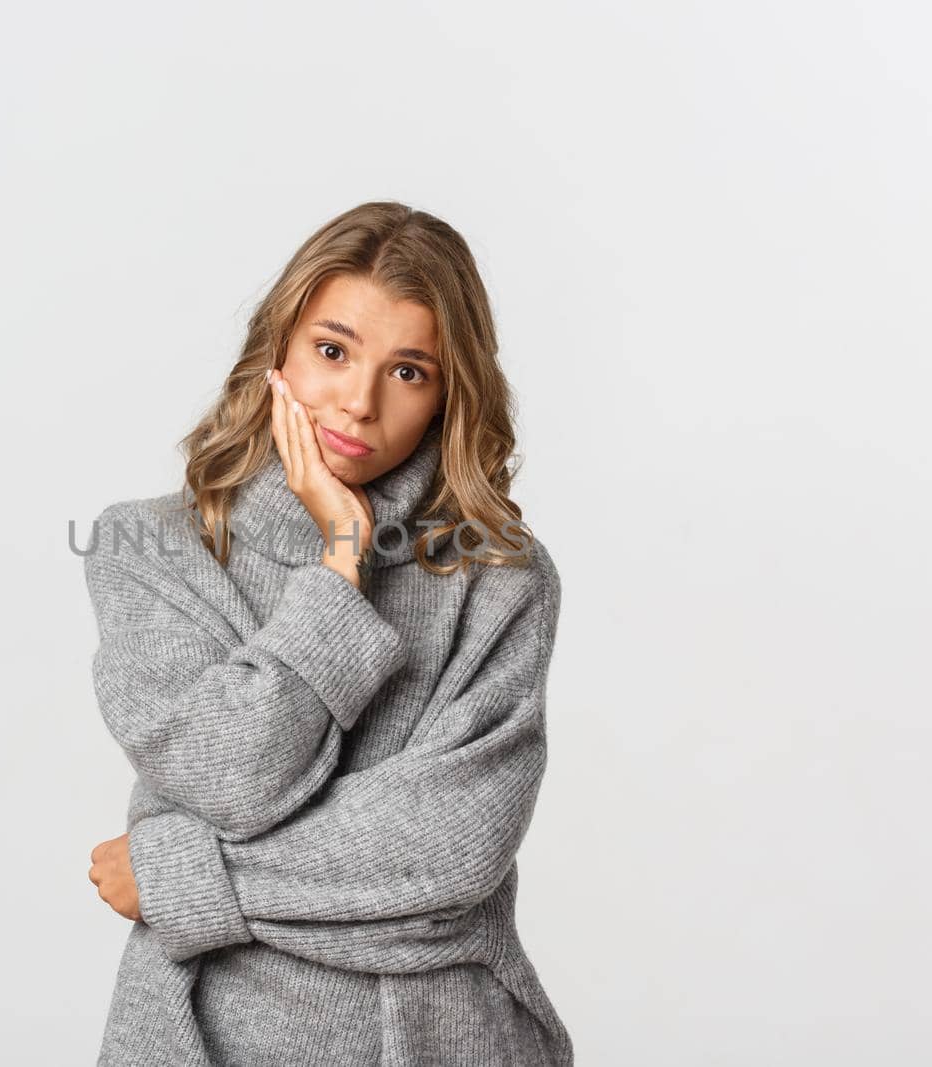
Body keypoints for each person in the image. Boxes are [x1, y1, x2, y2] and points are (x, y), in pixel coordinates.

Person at [80, 201, 571, 1065]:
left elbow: (449, 855)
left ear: (448, 395)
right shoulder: (149, 547)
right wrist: (341, 563)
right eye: (333, 350)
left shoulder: (501, 579)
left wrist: (177, 877)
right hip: (203, 1036)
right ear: (279, 348)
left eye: (409, 371)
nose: (358, 400)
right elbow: (231, 775)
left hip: (441, 1039)